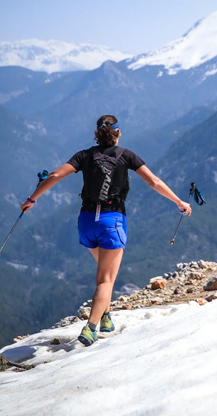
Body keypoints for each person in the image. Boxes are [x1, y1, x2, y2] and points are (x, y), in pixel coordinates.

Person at [20, 115, 192, 346]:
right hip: (112, 221)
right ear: (118, 133)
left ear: (96, 134)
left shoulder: (84, 155)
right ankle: (91, 327)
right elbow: (154, 182)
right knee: (106, 280)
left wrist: (32, 199)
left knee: (104, 271)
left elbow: (55, 175)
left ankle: (106, 317)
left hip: (86, 222)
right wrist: (179, 202)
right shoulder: (127, 155)